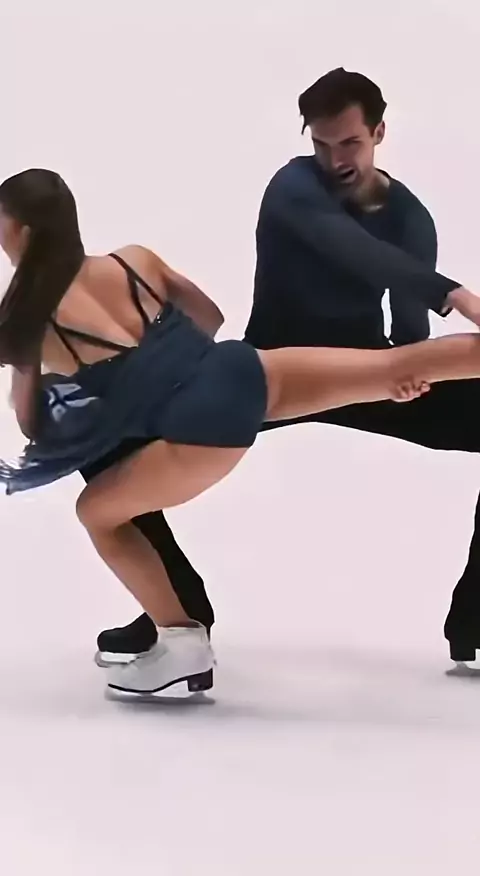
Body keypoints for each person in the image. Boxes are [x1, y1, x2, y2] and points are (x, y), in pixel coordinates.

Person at [1, 170, 480, 696]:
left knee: (98, 513)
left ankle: (180, 642)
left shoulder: (25, 318)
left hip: (199, 429)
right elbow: (209, 315)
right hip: (239, 371)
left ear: (22, 231)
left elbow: (31, 422)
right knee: (395, 368)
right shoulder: (132, 260)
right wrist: (171, 367)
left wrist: (121, 389)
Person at [95, 68, 480, 675]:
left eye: (350, 142)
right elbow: (352, 248)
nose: (335, 159)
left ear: (379, 132)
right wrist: (455, 294)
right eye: (322, 143)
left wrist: (413, 374)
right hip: (264, 374)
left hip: (357, 374)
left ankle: (475, 621)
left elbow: (409, 328)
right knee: (106, 434)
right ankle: (177, 612)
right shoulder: (293, 186)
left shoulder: (410, 218)